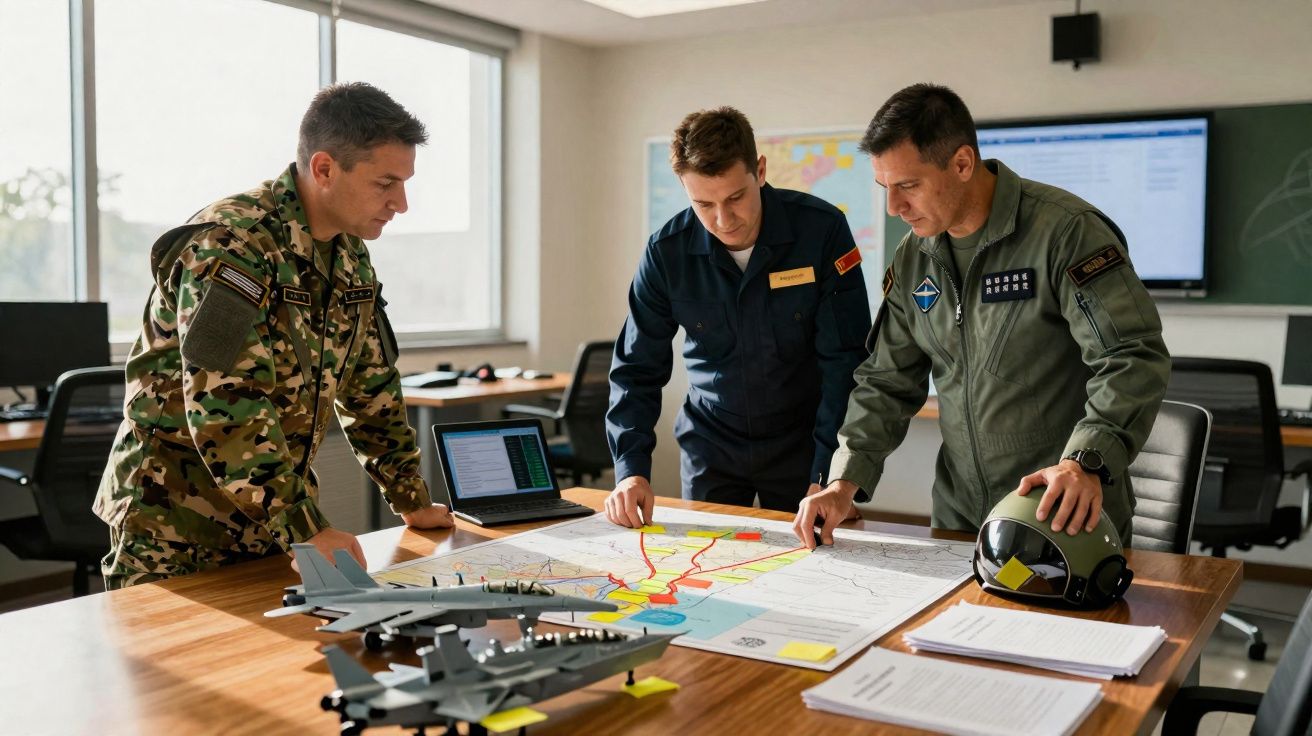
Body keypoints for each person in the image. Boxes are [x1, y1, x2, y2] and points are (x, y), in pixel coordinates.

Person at [94, 82, 453, 589]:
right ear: (325, 168)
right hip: (174, 525)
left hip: (270, 523)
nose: (401, 203)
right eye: (385, 183)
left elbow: (370, 386)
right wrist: (306, 527)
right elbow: (227, 406)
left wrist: (411, 498)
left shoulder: (347, 253)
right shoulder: (231, 246)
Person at [793, 83, 1170, 548]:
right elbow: (886, 381)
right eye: (884, 188)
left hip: (1061, 511)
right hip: (959, 516)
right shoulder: (914, 257)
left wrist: (1085, 461)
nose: (894, 208)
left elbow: (1131, 355)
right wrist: (842, 482)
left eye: (908, 185)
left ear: (963, 164)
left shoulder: (1066, 233)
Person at [606, 106, 871, 527]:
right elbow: (637, 369)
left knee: (813, 569)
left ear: (760, 170)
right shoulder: (667, 254)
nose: (723, 220)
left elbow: (845, 362)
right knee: (707, 568)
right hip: (712, 444)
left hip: (802, 442)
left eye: (735, 198)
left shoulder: (821, 231)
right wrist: (630, 469)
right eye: (703, 204)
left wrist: (830, 474)